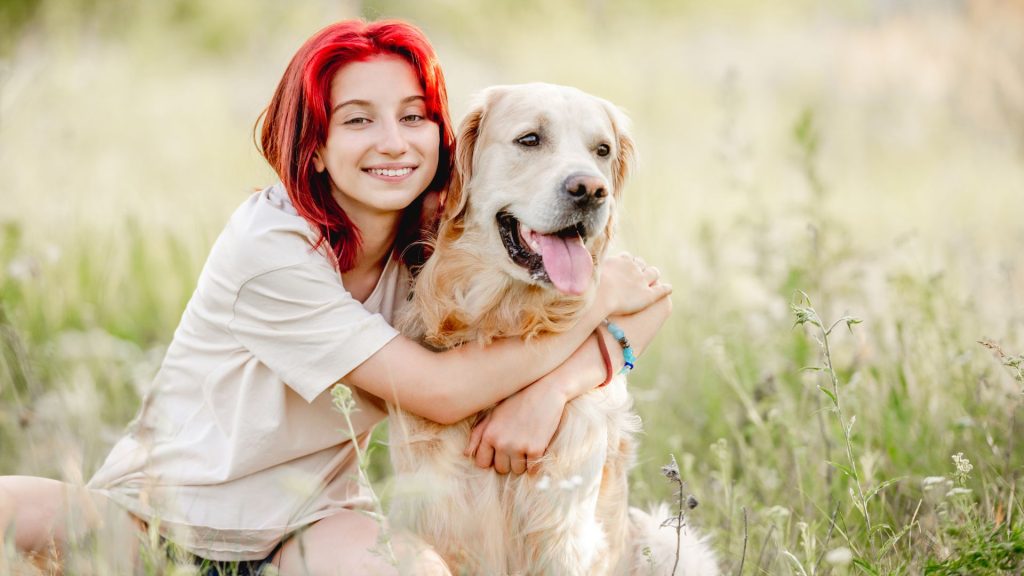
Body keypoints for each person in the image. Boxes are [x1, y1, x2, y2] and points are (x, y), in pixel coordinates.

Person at [0, 18, 672, 575]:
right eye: (357, 121)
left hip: (306, 529)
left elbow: (650, 302)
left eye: (413, 117)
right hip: (156, 523)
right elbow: (438, 391)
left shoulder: (443, 236)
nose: (392, 142)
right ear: (315, 146)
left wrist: (553, 389)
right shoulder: (269, 252)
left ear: (445, 144)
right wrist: (594, 302)